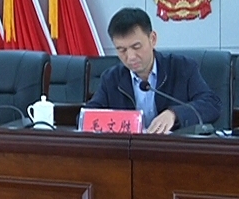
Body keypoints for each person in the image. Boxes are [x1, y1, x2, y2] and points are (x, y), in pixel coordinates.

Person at [85, 7, 221, 134]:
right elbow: (87, 115)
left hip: (174, 148)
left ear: (153, 39)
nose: (131, 57)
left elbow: (212, 104)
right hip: (128, 149)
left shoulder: (182, 68)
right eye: (122, 50)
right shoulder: (111, 78)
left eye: (136, 47)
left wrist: (174, 114)